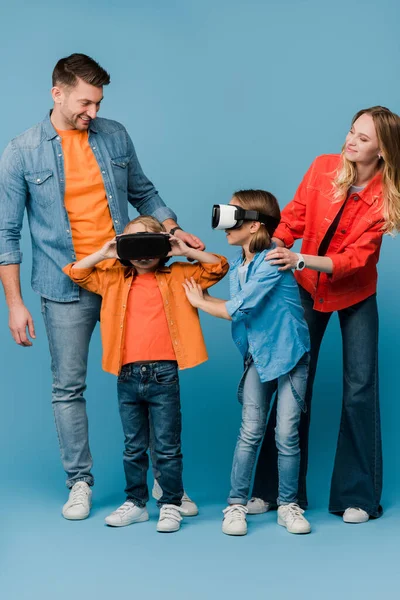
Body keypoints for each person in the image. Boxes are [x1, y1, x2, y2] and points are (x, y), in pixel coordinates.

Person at [0, 53, 203, 520]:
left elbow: (145, 192)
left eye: (98, 102)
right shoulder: (22, 152)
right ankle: (79, 482)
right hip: (62, 284)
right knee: (68, 387)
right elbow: (7, 235)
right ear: (58, 93)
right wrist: (15, 303)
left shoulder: (113, 135)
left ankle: (164, 484)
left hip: (126, 281)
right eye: (85, 102)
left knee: (150, 377)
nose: (93, 112)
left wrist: (173, 229)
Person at [248, 106, 400, 523]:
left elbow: (354, 260)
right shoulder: (323, 167)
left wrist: (299, 259)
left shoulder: (387, 197)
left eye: (363, 138)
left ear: (383, 150)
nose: (351, 141)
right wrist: (271, 250)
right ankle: (275, 491)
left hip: (353, 294)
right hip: (305, 290)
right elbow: (294, 215)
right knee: (292, 385)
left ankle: (359, 497)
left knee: (360, 389)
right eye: (352, 132)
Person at [63, 215, 228, 532]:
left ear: (163, 245)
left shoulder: (179, 274)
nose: (142, 252)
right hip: (126, 375)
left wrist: (183, 251)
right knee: (133, 447)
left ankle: (170, 503)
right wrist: (105, 253)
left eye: (150, 243)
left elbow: (218, 266)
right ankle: (136, 503)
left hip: (164, 374)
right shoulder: (112, 278)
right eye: (133, 244)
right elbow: (76, 273)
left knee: (167, 447)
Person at [183, 190, 311, 535]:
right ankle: (236, 504)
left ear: (254, 226)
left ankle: (288, 505)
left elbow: (236, 309)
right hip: (259, 356)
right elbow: (234, 302)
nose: (226, 223)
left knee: (286, 434)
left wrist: (199, 301)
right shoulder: (240, 267)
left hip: (290, 356)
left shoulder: (271, 260)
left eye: (234, 215)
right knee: (250, 431)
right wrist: (186, 255)